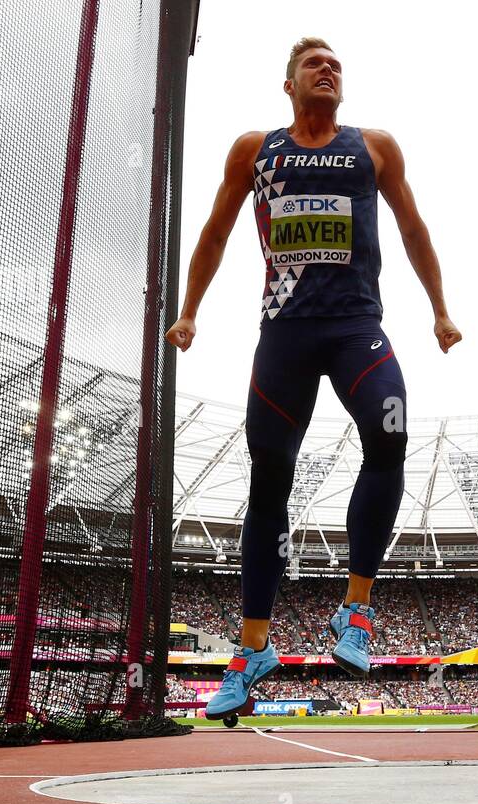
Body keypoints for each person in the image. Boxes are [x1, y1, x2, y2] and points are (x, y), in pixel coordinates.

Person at [168, 38, 462, 719]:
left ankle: (355, 611)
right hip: (285, 338)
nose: (327, 68)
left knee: (390, 435)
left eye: (336, 64)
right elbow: (213, 234)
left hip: (357, 327)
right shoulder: (255, 149)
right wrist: (189, 313)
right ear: (289, 84)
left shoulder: (375, 146)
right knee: (270, 484)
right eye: (313, 63)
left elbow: (414, 229)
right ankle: (252, 650)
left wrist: (441, 310)